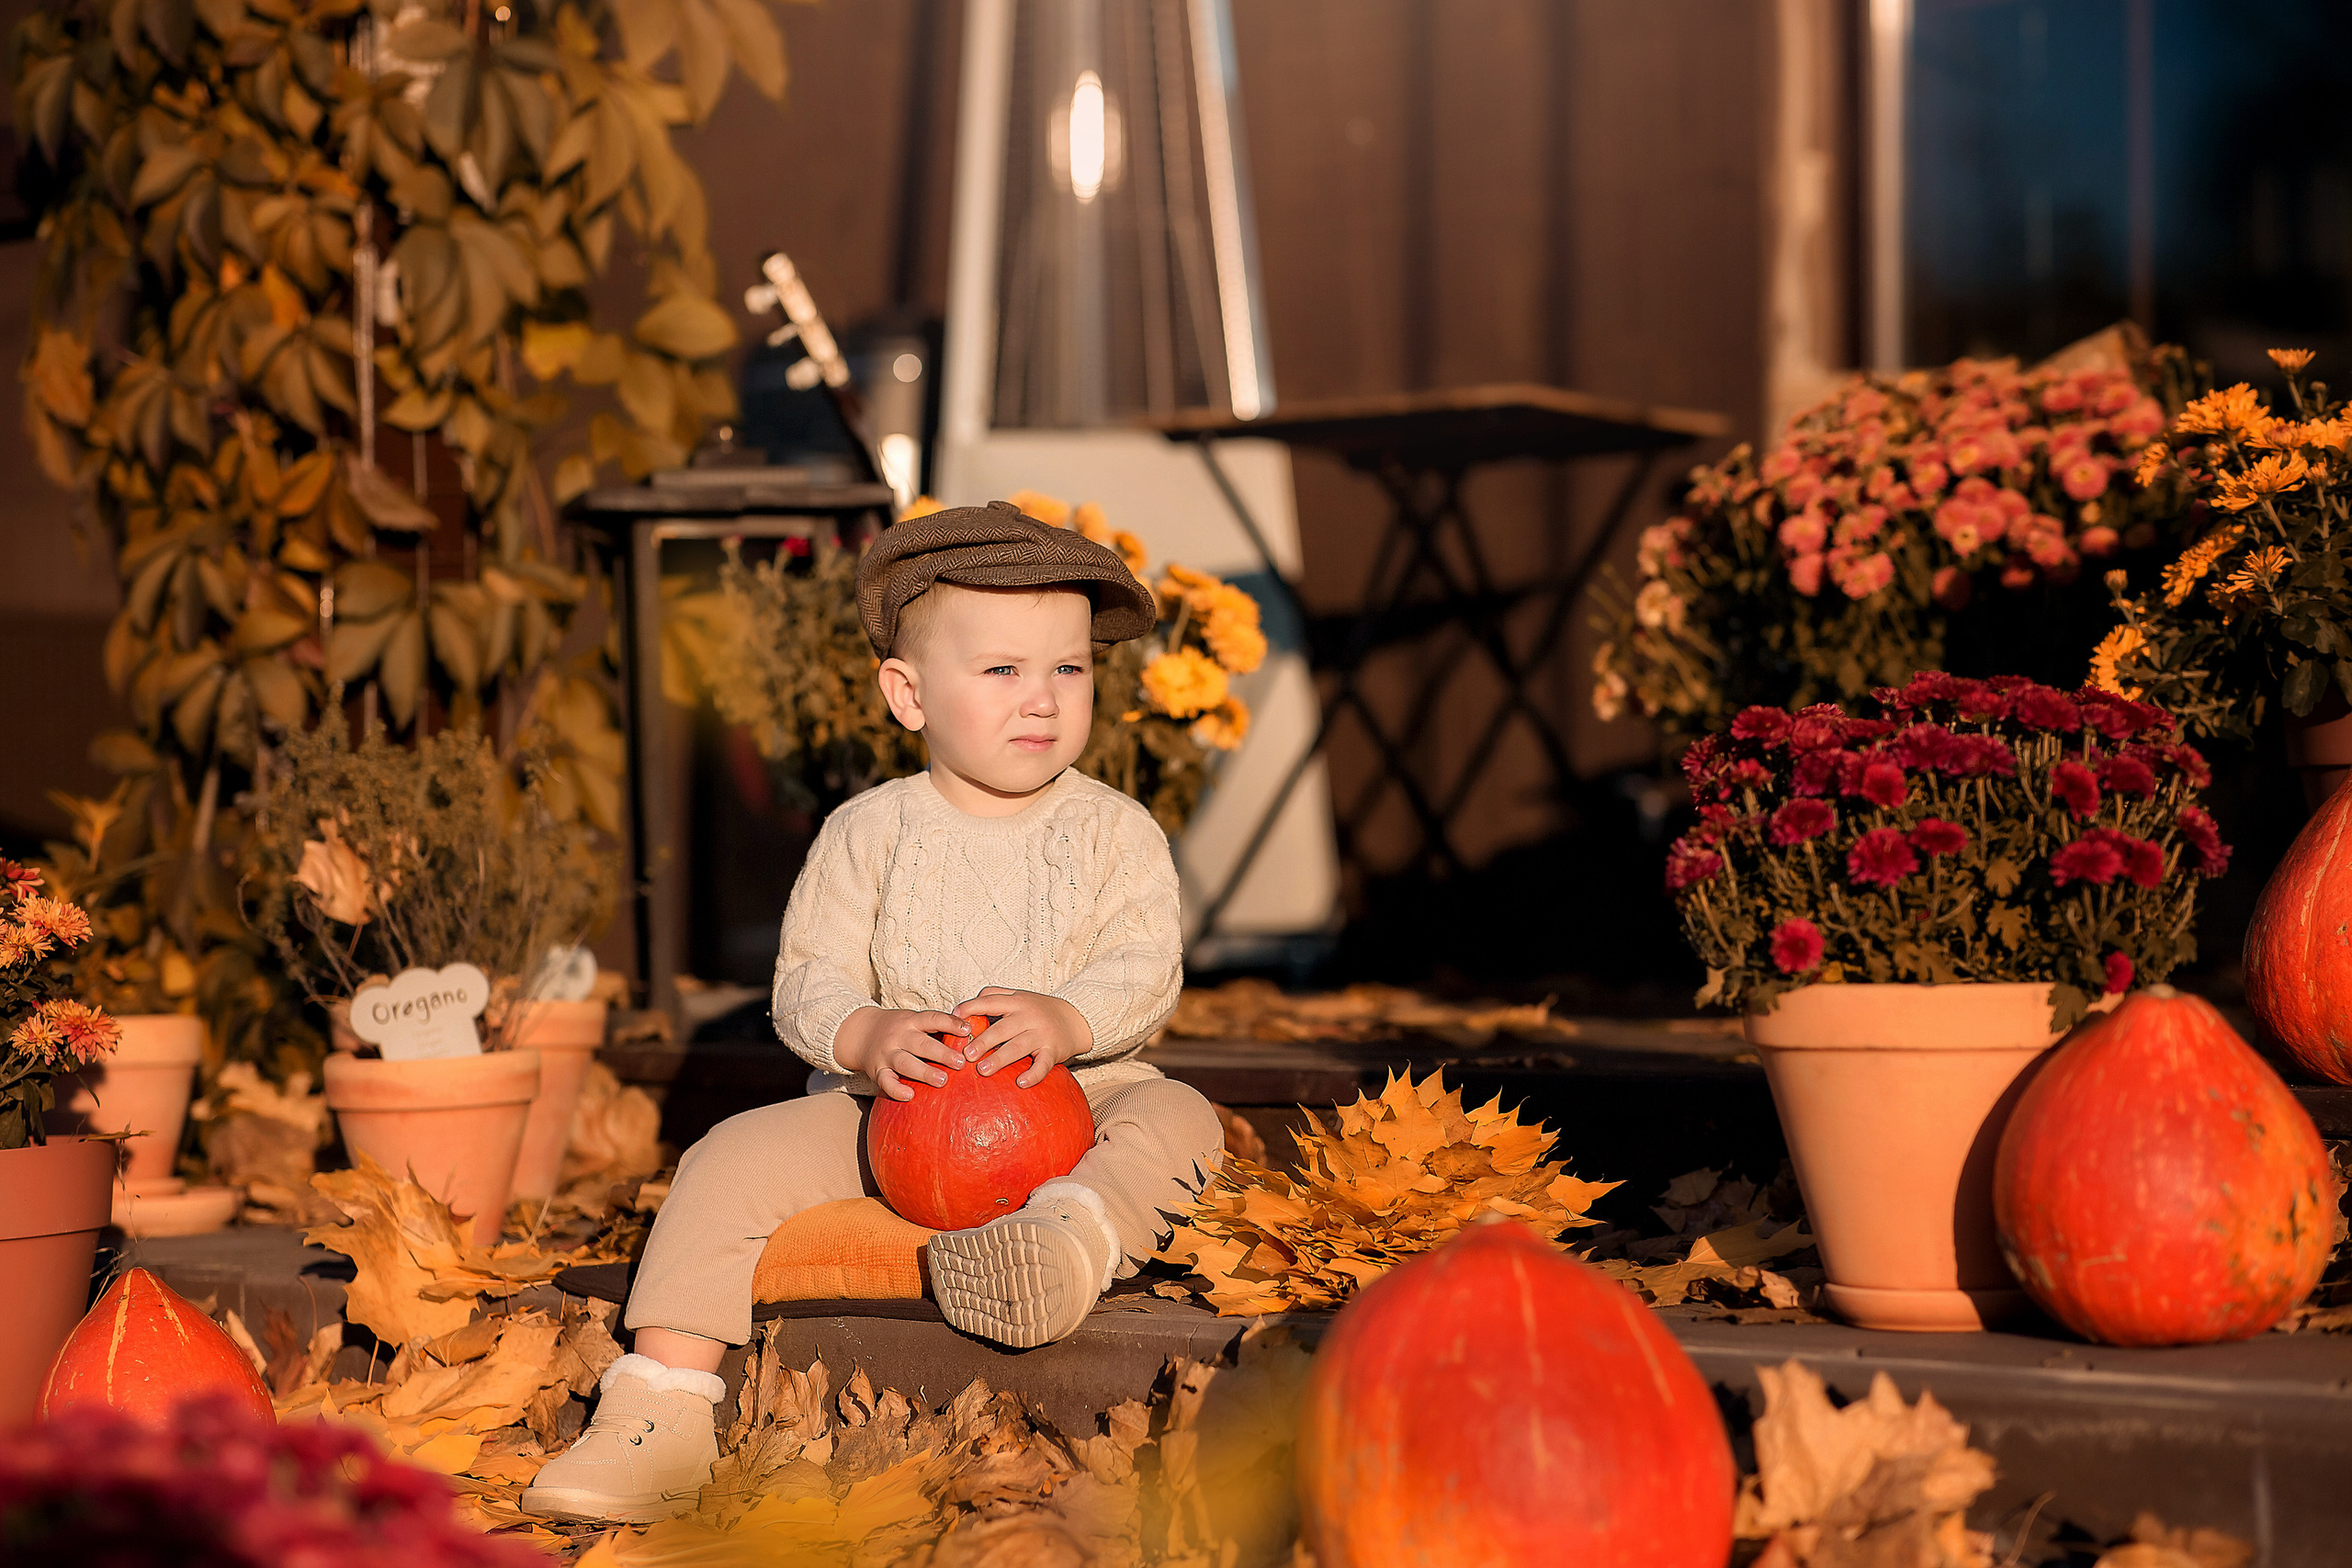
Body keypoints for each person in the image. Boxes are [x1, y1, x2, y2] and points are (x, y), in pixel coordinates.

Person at [521, 500, 1226, 1524]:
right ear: (907, 693)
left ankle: (1066, 1241)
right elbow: (807, 975)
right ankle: (660, 1404)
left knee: (1179, 1120)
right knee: (728, 1155)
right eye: (1001, 671)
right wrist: (865, 1033)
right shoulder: (871, 831)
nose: (1041, 699)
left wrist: (1070, 1019)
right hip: (890, 1115)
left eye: (1068, 670)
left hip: (1079, 1094)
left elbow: (1144, 968)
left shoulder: (1115, 831)